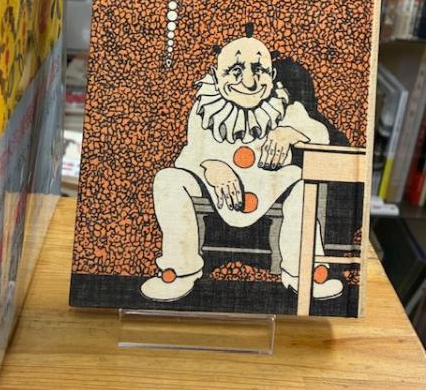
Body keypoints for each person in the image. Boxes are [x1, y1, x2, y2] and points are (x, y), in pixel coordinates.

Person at [141, 24, 344, 302]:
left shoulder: (282, 104)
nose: (249, 82)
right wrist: (211, 167)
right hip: (216, 190)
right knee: (168, 180)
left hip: (271, 186)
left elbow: (321, 136)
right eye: (236, 70)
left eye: (258, 70)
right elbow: (191, 153)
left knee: (302, 186)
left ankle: (303, 272)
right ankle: (179, 270)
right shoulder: (205, 108)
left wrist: (289, 133)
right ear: (216, 75)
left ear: (272, 75)